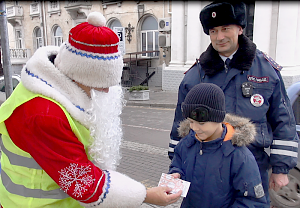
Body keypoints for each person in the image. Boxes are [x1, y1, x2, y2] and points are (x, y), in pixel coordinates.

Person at [0, 12, 181, 208]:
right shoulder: (43, 114)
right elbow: (84, 184)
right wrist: (145, 195)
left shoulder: (58, 86)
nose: (106, 91)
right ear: (80, 74)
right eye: (101, 84)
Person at [168, 1, 299, 206]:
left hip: (252, 166)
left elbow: (283, 120)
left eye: (225, 29)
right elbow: (180, 126)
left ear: (239, 28)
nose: (219, 37)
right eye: (213, 31)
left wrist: (281, 168)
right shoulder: (195, 75)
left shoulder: (266, 71)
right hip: (204, 171)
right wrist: (176, 169)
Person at [169, 83, 268, 207]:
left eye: (201, 123)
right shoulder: (186, 144)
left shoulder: (239, 156)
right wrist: (176, 174)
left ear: (218, 118)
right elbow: (177, 164)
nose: (194, 128)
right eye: (191, 122)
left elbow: (253, 202)